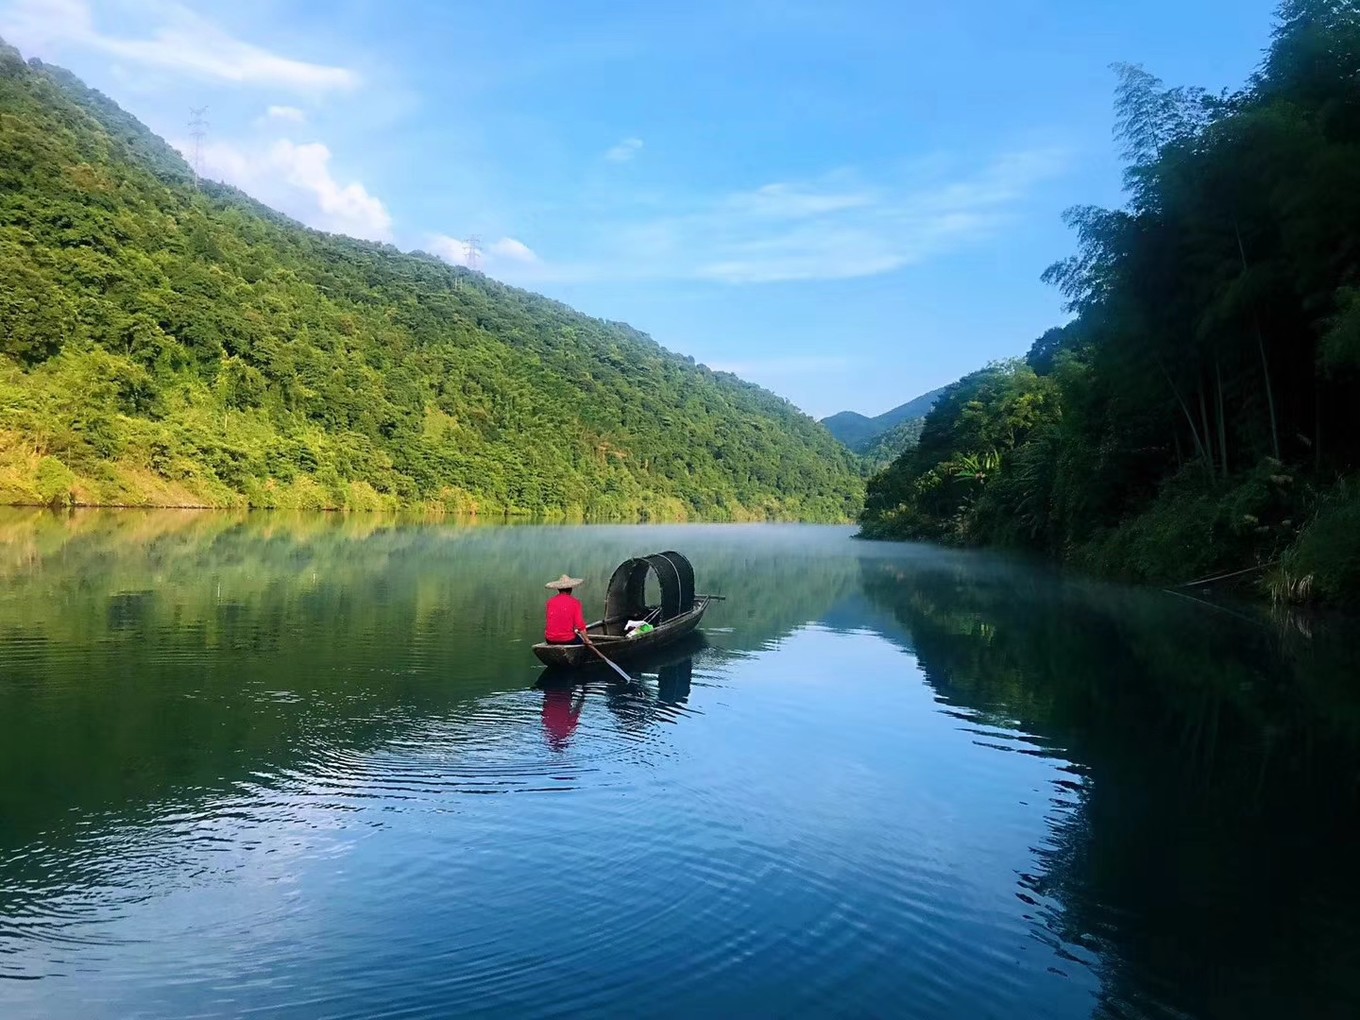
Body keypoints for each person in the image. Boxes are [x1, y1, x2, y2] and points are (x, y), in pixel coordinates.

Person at [544, 573, 590, 645]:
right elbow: (580, 625)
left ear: (558, 589)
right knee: (581, 642)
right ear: (571, 589)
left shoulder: (550, 602)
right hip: (568, 639)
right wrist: (587, 640)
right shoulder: (575, 603)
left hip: (549, 639)